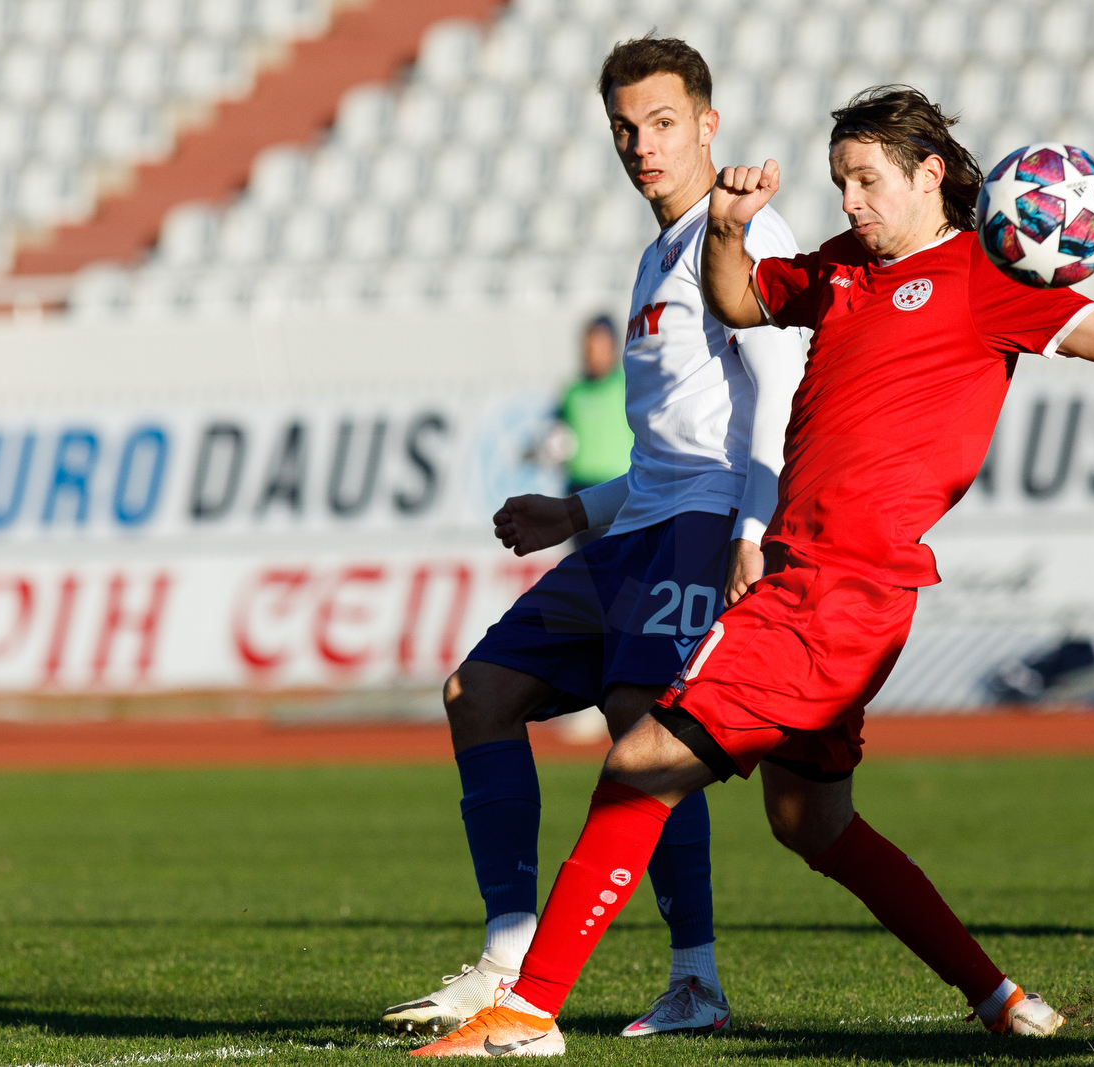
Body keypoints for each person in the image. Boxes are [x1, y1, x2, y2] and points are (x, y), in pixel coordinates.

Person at [411, 85, 1094, 1058]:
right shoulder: (840, 268)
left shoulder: (983, 277)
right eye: (840, 182)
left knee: (639, 763)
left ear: (930, 175)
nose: (852, 201)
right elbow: (739, 299)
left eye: (868, 180)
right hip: (823, 582)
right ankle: (996, 994)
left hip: (834, 587)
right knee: (810, 820)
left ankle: (525, 1013)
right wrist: (728, 231)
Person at [381, 36, 807, 1040]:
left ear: (708, 123)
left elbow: (779, 393)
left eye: (663, 123)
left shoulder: (745, 231)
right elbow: (674, 440)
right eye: (625, 126)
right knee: (476, 692)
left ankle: (695, 976)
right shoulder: (656, 251)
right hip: (636, 527)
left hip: (705, 525)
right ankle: (505, 955)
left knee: (637, 715)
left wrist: (754, 529)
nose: (641, 144)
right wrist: (577, 513)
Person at [558, 315, 631, 495]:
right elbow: (558, 433)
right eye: (589, 347)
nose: (593, 355)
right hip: (578, 486)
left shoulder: (628, 386)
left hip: (618, 487)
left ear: (613, 348)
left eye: (600, 348)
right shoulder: (572, 392)